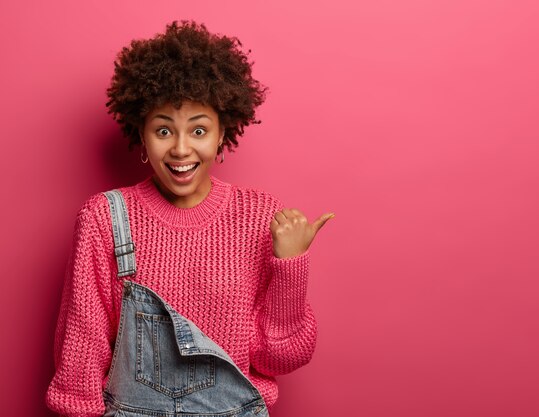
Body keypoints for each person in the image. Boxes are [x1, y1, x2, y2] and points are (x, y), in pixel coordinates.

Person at [45, 20, 333, 416]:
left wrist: (290, 267)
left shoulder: (260, 217)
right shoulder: (105, 218)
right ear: (141, 135)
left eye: (198, 130)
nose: (181, 149)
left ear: (222, 134)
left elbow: (280, 359)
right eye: (164, 131)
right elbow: (82, 346)